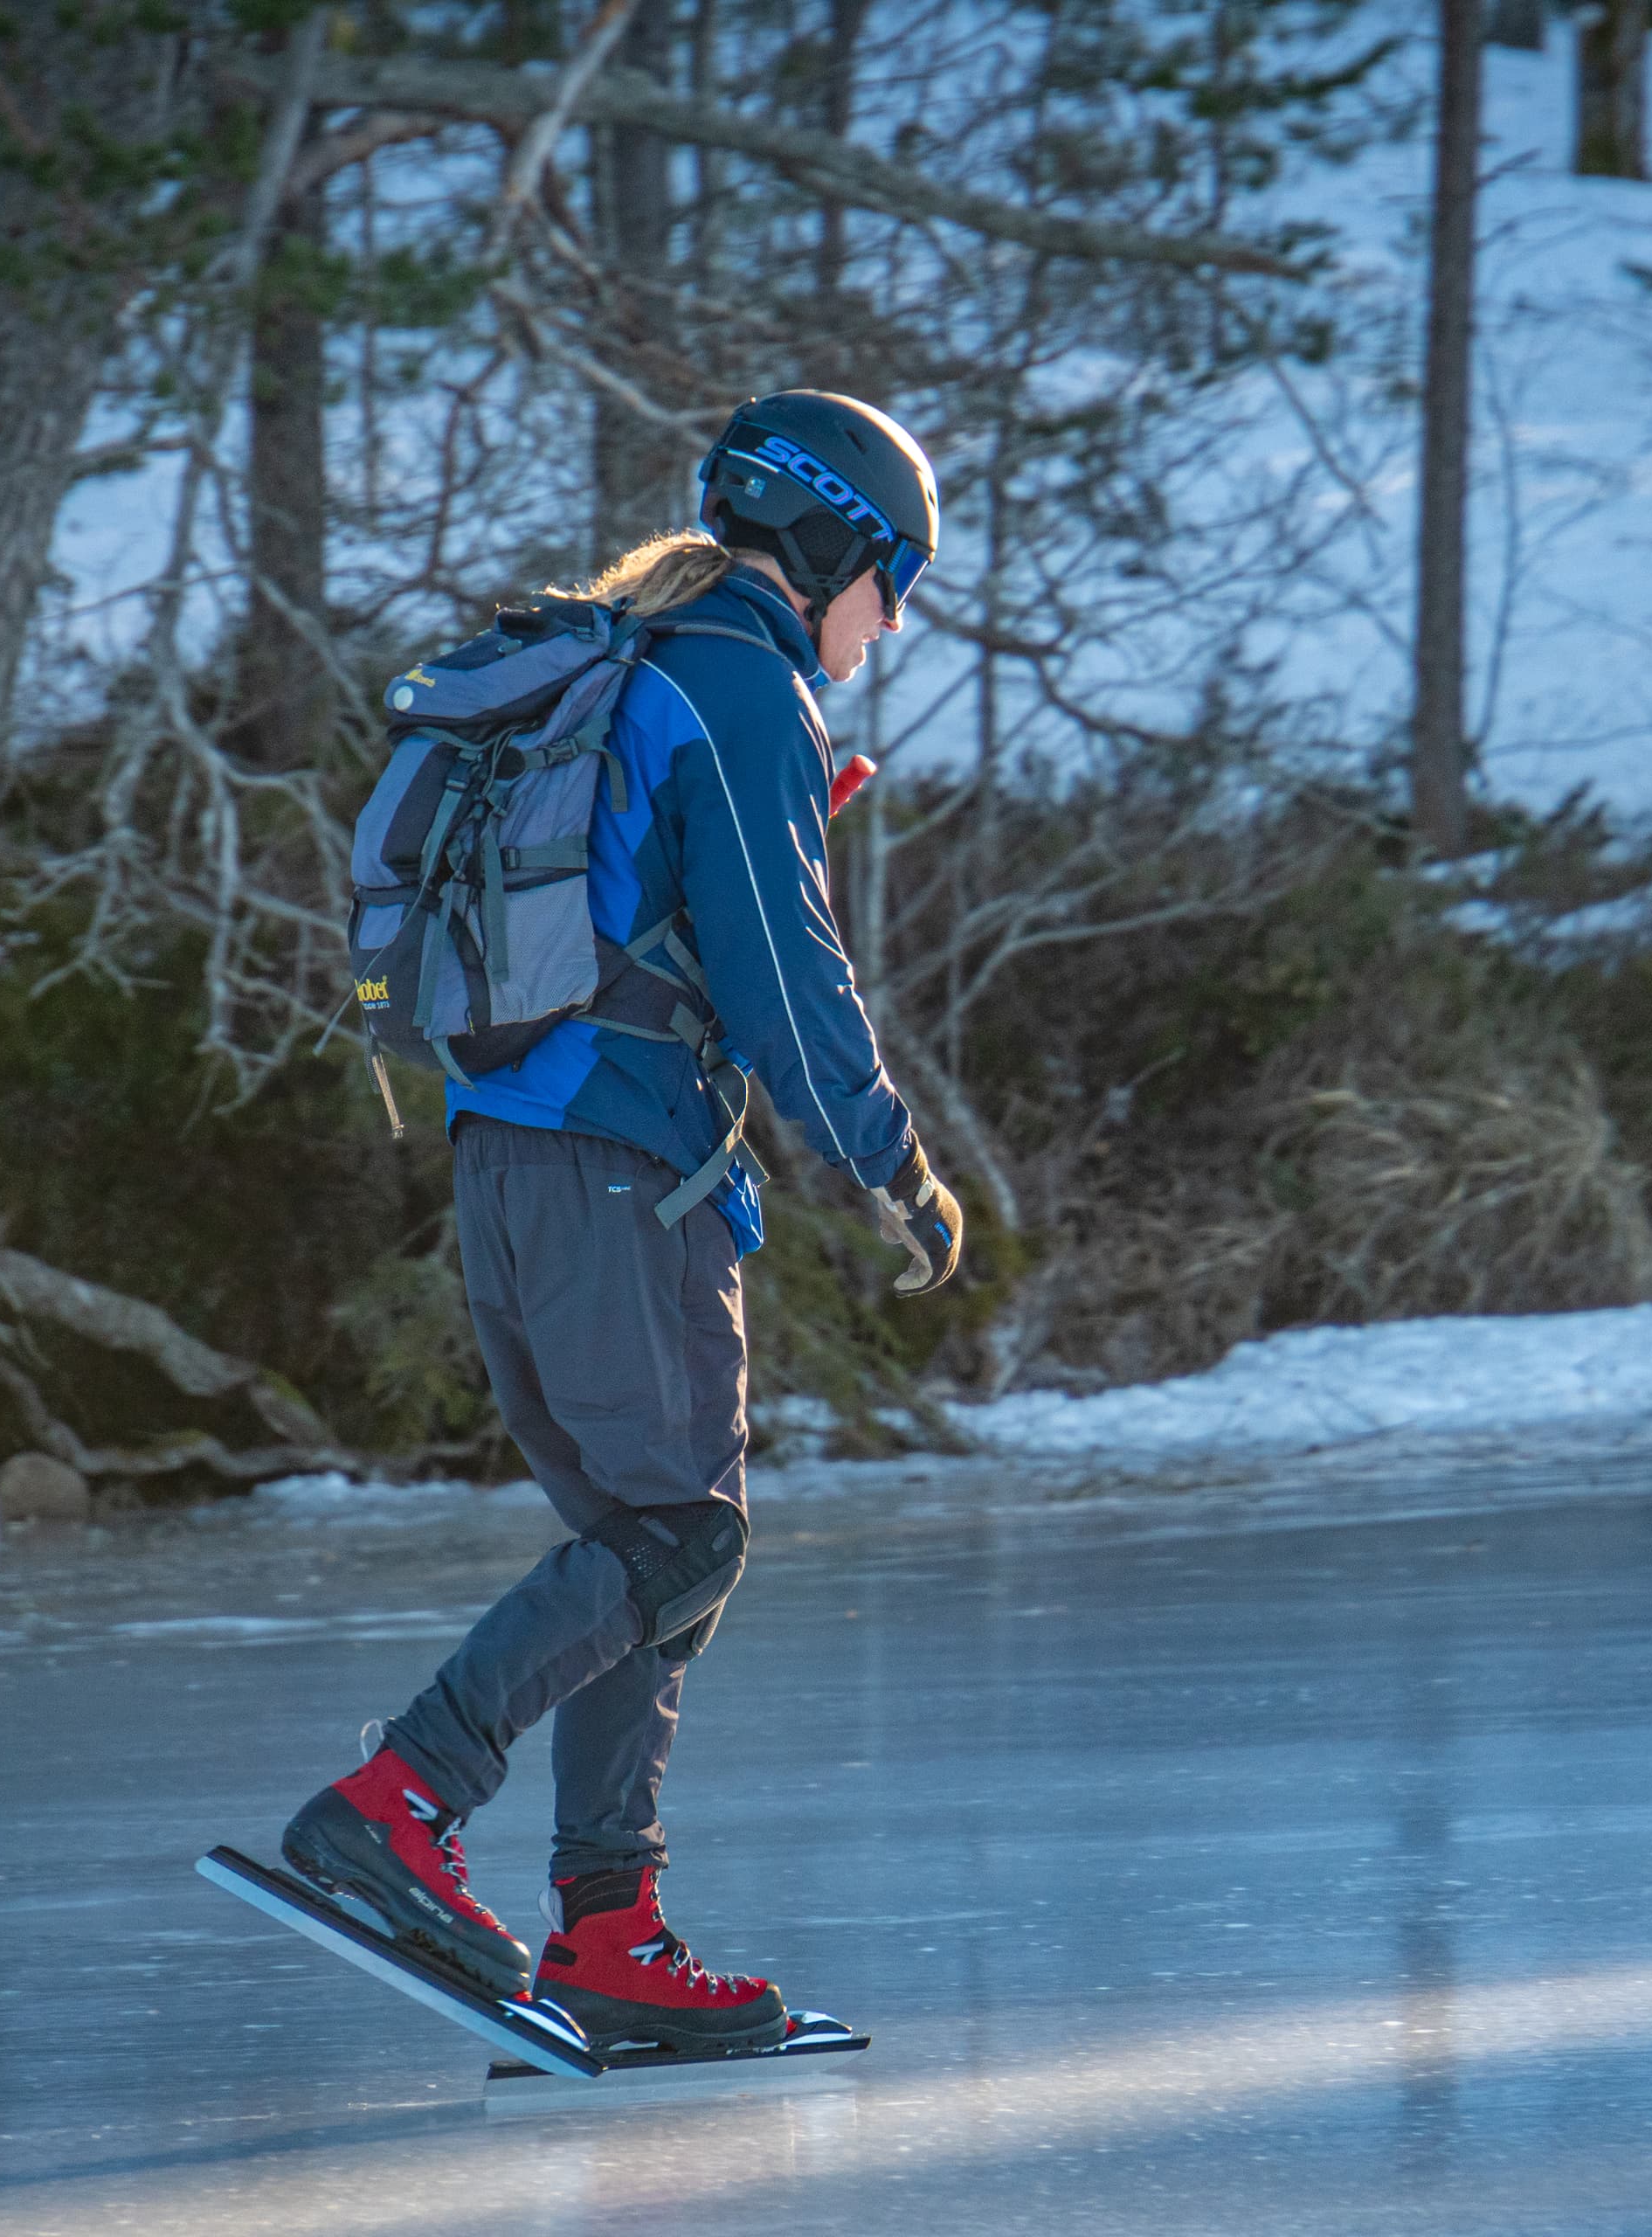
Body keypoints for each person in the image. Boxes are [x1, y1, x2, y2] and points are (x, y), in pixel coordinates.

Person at [279, 391, 964, 2056]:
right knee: (677, 1542)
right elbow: (786, 978)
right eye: (902, 579)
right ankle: (398, 1800)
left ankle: (610, 1936)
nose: (898, 619)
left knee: (644, 1560)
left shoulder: (641, 658)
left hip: (513, 1167)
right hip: (613, 1176)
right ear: (835, 553)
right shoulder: (735, 683)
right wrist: (891, 1161)